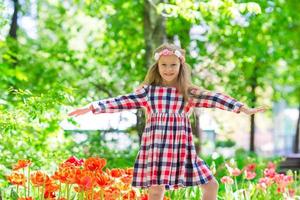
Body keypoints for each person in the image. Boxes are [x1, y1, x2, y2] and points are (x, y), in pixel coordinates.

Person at [68, 43, 268, 200]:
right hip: (156, 148)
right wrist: (92, 107)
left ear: (181, 65)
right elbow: (122, 101)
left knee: (211, 185)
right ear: (157, 66)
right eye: (164, 65)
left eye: (173, 64)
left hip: (182, 149)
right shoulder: (148, 92)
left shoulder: (188, 92)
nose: (168, 69)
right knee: (155, 192)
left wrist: (242, 108)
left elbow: (215, 98)